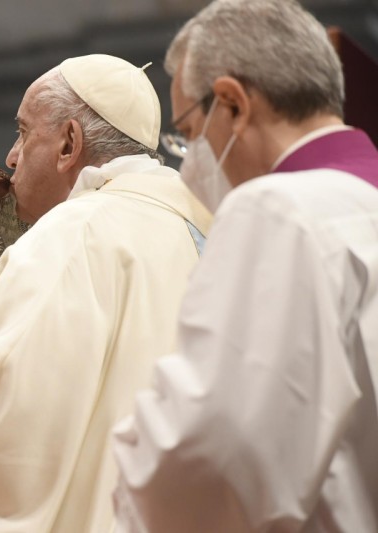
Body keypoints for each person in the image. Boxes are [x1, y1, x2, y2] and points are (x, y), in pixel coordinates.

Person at [0, 54, 212, 532]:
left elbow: (14, 446)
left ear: (68, 144)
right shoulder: (206, 240)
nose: (11, 157)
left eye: (23, 133)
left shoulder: (72, 233)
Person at [111, 1, 378, 531]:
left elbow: (212, 459)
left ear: (232, 103)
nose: (189, 162)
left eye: (189, 131)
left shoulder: (280, 210)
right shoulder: (360, 200)